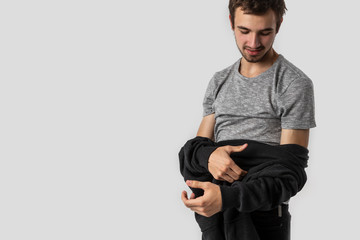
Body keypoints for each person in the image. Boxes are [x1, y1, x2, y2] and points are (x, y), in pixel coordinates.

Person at [180, 0, 316, 239]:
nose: (254, 44)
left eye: (265, 32)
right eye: (244, 31)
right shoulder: (219, 81)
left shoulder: (293, 83)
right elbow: (193, 154)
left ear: (279, 25)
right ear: (231, 23)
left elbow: (288, 176)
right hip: (216, 217)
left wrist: (228, 196)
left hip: (264, 220)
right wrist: (210, 156)